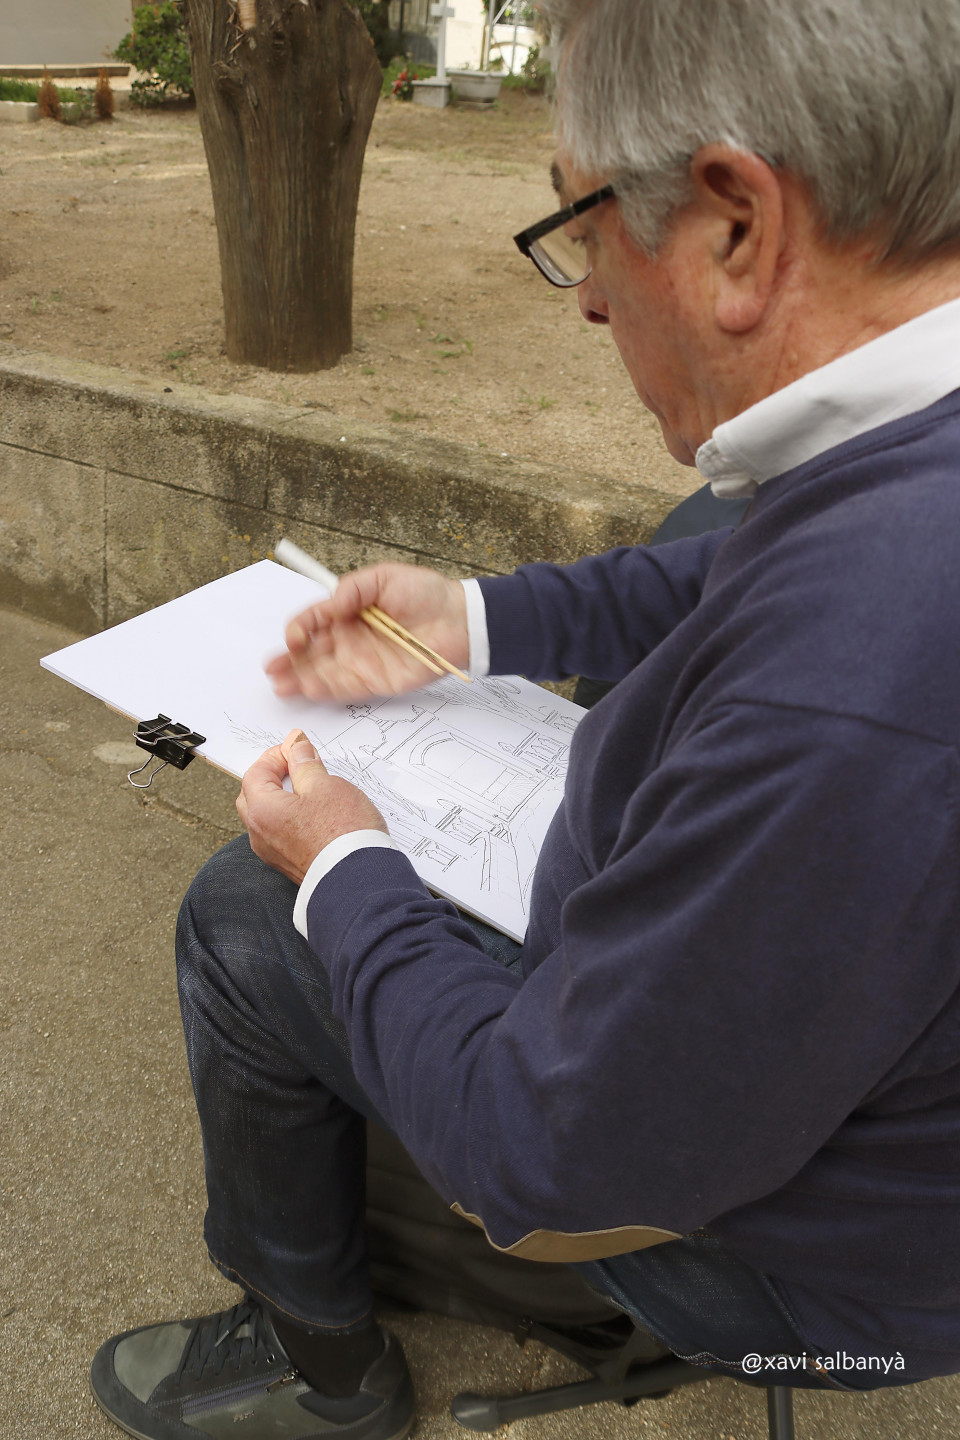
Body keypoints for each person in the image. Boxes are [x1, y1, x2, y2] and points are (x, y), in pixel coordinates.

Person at [91, 1, 960, 1436]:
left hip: (829, 1279)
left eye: (584, 224)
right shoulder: (902, 447)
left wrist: (347, 863)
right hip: (857, 1100)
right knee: (705, 513)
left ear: (739, 225)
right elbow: (734, 567)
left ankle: (320, 1368)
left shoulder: (849, 692)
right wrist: (481, 623)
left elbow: (540, 1153)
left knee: (244, 917)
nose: (589, 298)